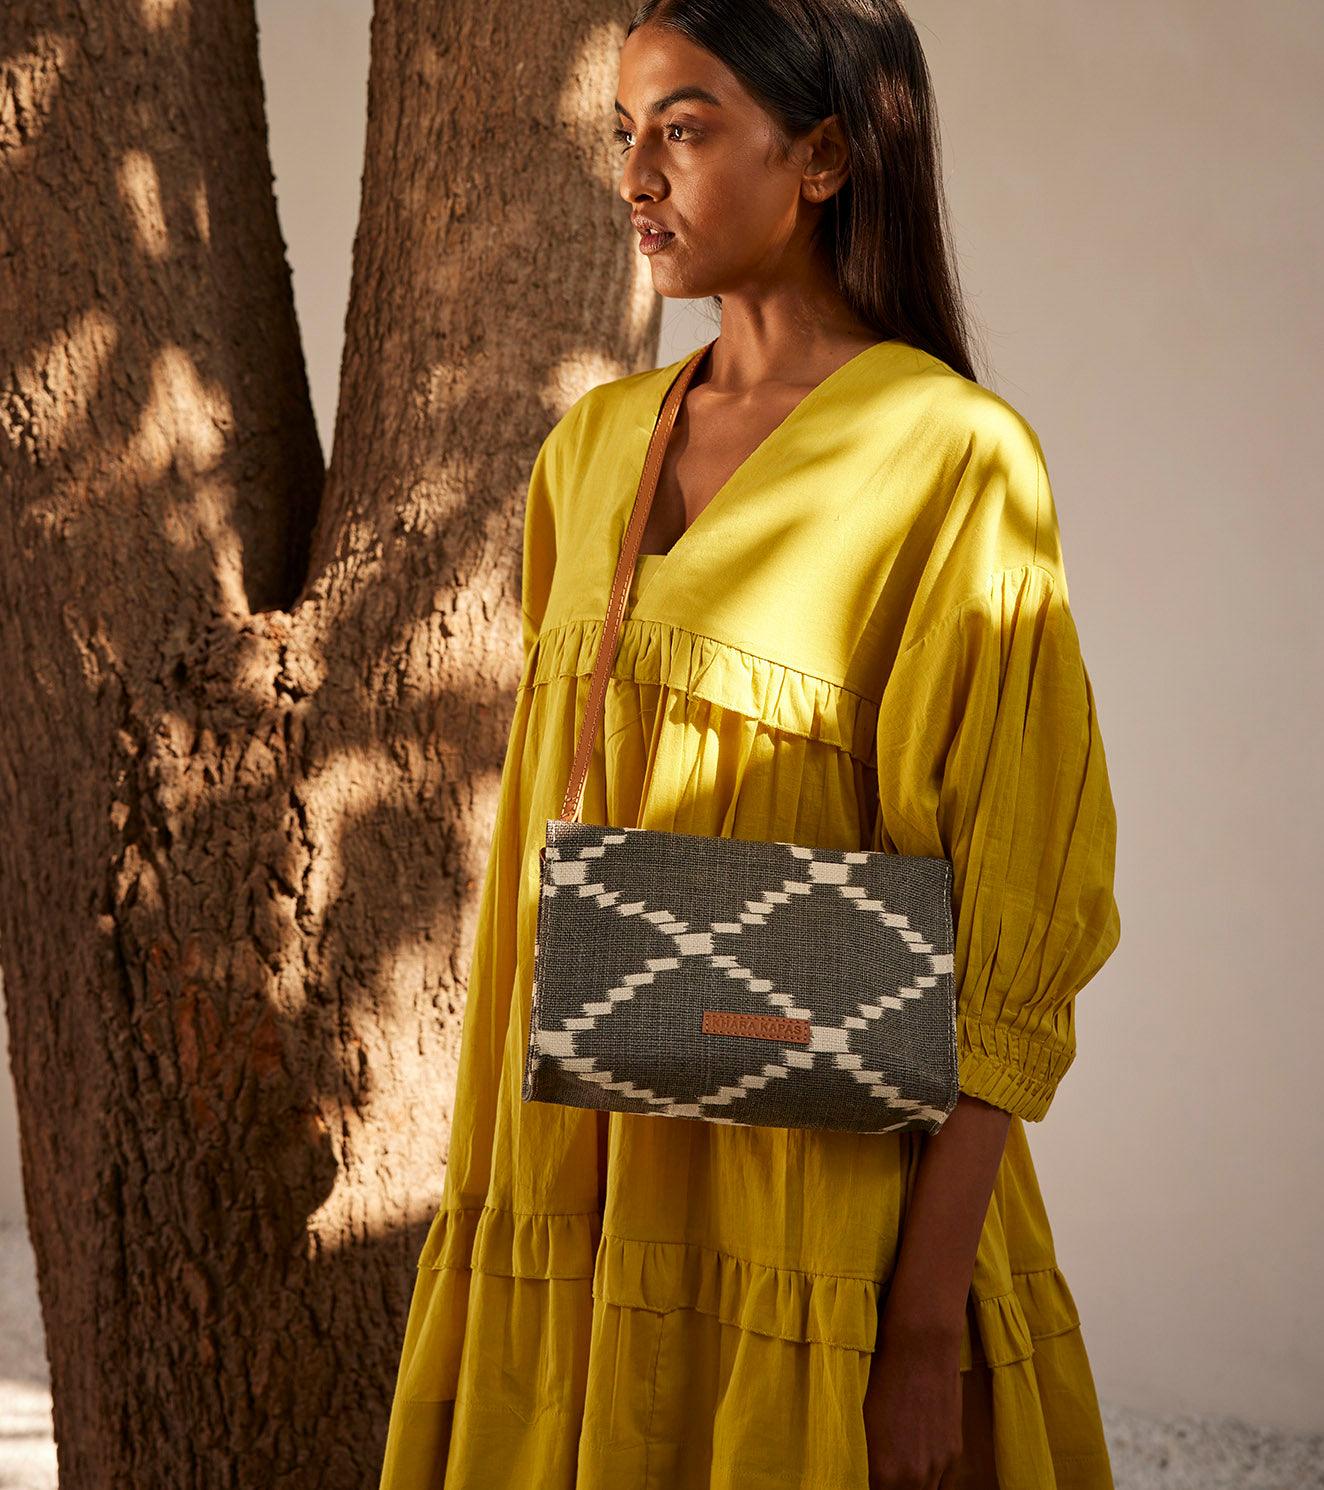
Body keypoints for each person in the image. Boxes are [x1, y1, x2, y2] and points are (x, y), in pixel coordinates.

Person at [378, 1, 1122, 1487]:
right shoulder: (589, 448)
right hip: (573, 1165)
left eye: (686, 128)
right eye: (625, 134)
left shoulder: (952, 456)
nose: (636, 176)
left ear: (824, 157)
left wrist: (923, 1325)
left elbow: (1019, 916)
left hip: (817, 1200)